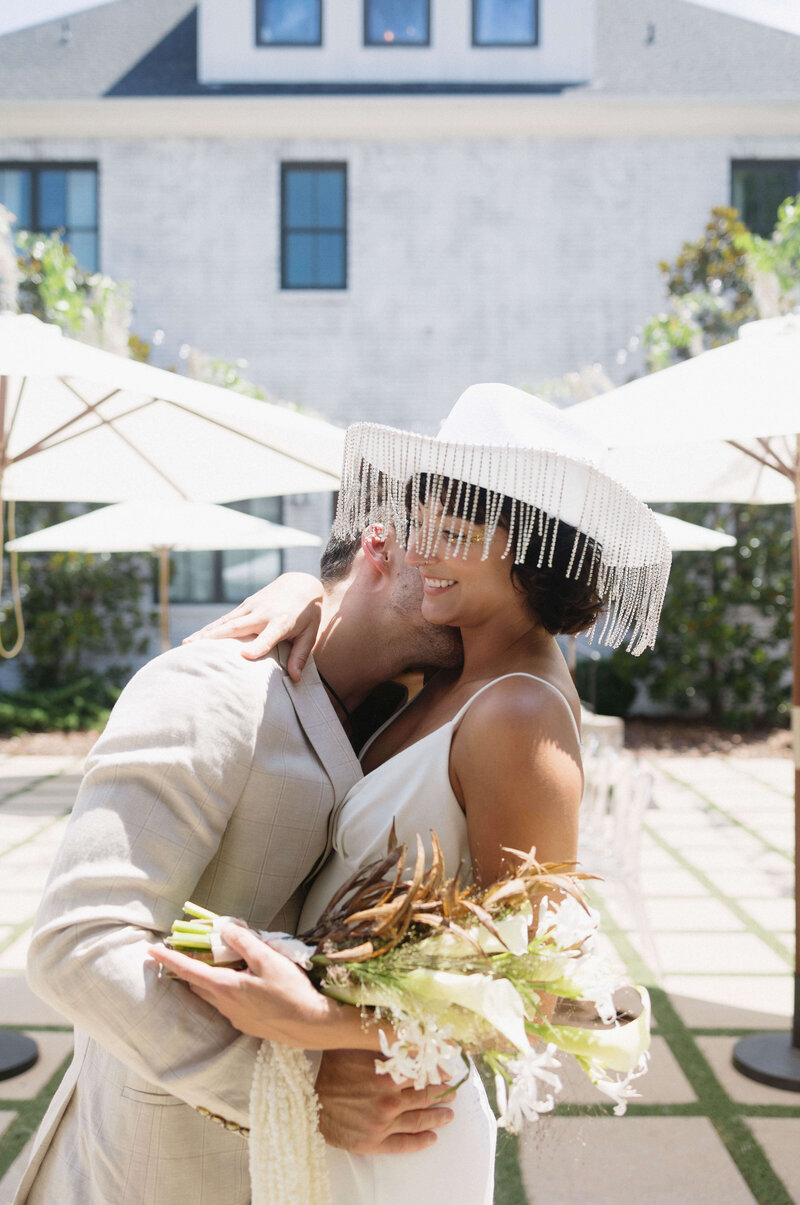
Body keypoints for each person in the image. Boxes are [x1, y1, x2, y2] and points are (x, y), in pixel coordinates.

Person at [155, 382, 671, 1205]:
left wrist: (324, 1027)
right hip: (347, 1093)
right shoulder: (453, 666)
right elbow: (349, 614)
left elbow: (543, 988)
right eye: (421, 519)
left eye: (456, 532)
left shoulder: (519, 710)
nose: (422, 549)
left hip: (400, 1110)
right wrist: (300, 590)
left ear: (535, 551)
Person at [14, 526, 464, 1205]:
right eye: (457, 536)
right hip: (164, 1166)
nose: (490, 572)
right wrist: (299, 1085)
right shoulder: (213, 686)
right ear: (381, 542)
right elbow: (78, 945)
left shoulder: (416, 712)